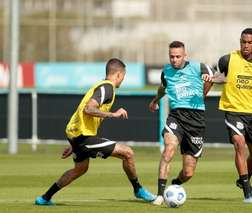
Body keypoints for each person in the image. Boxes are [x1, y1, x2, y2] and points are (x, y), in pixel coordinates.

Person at [35, 58, 155, 205]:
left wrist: (74, 144)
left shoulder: (100, 86)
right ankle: (138, 190)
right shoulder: (107, 88)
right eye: (123, 76)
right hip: (83, 137)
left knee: (80, 169)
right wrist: (113, 114)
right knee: (128, 153)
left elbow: (83, 112)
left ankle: (45, 198)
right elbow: (89, 108)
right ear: (118, 74)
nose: (122, 80)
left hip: (76, 135)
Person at [149, 41, 214, 205]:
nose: (174, 60)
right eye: (172, 56)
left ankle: (176, 184)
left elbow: (221, 77)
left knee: (188, 173)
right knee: (168, 150)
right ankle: (159, 195)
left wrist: (208, 80)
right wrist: (155, 100)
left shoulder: (198, 67)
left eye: (178, 56)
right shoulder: (166, 71)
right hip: (176, 116)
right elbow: (163, 88)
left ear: (185, 55)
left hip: (196, 122)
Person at [216, 28, 252, 203]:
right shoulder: (228, 59)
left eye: (250, 42)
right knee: (239, 143)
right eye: (243, 41)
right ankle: (247, 191)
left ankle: (243, 181)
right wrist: (207, 87)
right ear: (240, 41)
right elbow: (217, 77)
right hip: (233, 110)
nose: (246, 45)